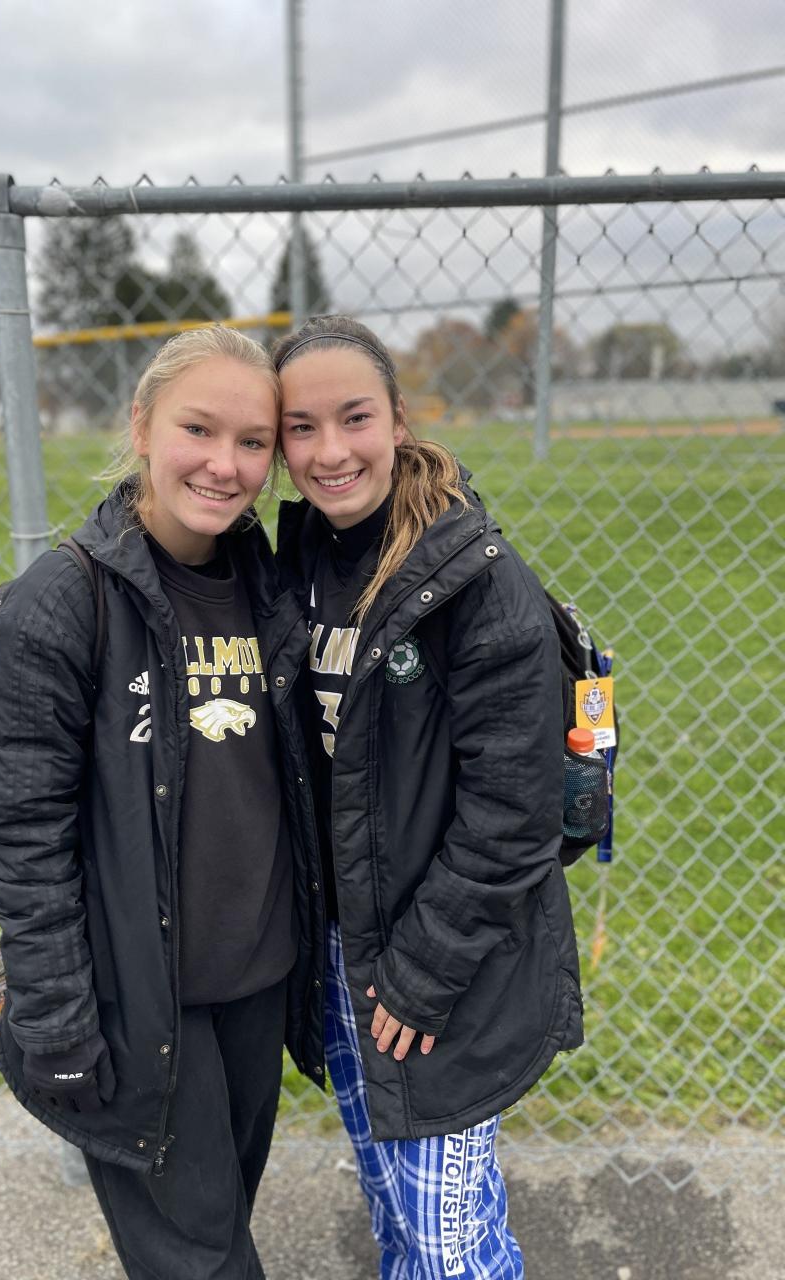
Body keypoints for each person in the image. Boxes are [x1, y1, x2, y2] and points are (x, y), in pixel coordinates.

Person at [0, 325, 325, 1280]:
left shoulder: (272, 586)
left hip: (256, 984)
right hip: (137, 1003)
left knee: (217, 1225)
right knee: (203, 1261)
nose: (225, 464)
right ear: (141, 424)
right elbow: (22, 837)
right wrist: (53, 1022)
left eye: (253, 442)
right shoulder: (63, 601)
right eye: (198, 430)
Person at [273, 315, 584, 1280]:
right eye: (300, 428)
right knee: (398, 1213)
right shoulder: (300, 563)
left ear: (399, 420)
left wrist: (420, 973)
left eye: (354, 417)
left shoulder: (478, 583)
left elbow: (514, 814)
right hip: (340, 948)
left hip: (439, 962)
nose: (330, 452)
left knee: (451, 1246)